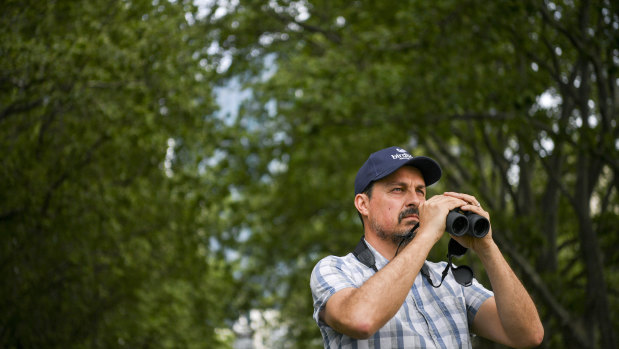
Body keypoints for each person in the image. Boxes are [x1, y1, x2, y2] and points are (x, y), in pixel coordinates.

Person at [310, 146, 544, 348]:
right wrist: (428, 233)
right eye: (398, 190)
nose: (415, 200)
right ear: (363, 204)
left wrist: (486, 247)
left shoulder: (450, 278)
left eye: (420, 190)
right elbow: (360, 320)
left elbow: (528, 335)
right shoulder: (335, 269)